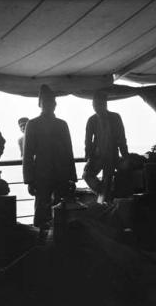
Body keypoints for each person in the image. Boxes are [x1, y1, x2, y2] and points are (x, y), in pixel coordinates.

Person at [23, 85, 77, 230]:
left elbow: (69, 152)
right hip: (44, 176)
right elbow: (27, 154)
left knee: (59, 213)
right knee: (43, 213)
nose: (50, 104)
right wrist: (29, 180)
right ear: (40, 103)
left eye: (51, 101)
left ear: (55, 104)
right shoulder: (34, 124)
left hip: (55, 175)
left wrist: (72, 176)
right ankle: (42, 244)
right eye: (47, 101)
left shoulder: (58, 124)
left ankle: (50, 243)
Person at [83, 91, 128, 204]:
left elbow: (122, 138)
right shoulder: (91, 120)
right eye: (94, 104)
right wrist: (88, 156)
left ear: (104, 104)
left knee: (107, 180)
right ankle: (103, 192)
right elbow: (88, 141)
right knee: (86, 175)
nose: (96, 107)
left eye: (98, 104)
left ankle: (104, 196)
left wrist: (125, 156)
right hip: (97, 157)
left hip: (111, 156)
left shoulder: (115, 117)